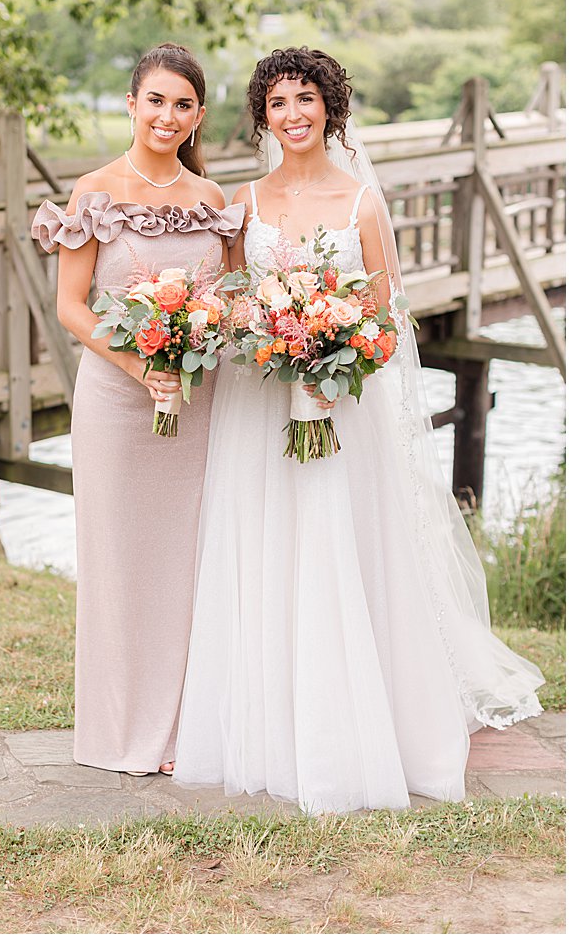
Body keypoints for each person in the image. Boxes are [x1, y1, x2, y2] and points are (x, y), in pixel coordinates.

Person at [174, 47, 544, 814]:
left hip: (343, 410)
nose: (293, 114)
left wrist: (333, 350)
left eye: (305, 97)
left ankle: (354, 727)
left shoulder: (360, 204)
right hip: (263, 408)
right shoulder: (244, 203)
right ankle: (272, 725)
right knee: (271, 546)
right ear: (262, 116)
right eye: (277, 102)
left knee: (342, 545)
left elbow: (388, 317)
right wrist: (272, 337)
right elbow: (237, 299)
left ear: (330, 107)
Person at [31, 43, 245, 776]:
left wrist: (201, 342)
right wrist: (142, 365)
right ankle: (121, 730)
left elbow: (232, 295)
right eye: (155, 99)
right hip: (118, 403)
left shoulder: (214, 202)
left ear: (198, 116)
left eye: (182, 103)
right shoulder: (91, 193)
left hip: (198, 400)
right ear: (130, 103)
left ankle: (186, 729)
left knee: (191, 560)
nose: (167, 114)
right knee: (119, 561)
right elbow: (70, 307)